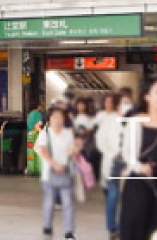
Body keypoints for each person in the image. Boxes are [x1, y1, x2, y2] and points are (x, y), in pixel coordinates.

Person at [119, 76, 157, 240]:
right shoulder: (135, 121)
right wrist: (139, 167)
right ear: (146, 96)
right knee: (137, 227)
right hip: (140, 183)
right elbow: (128, 153)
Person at [37, 107, 82, 240]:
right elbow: (43, 151)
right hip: (49, 174)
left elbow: (73, 150)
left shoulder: (68, 133)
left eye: (60, 117)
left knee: (68, 203)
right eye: (54, 117)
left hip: (65, 172)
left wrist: (75, 150)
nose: (57, 120)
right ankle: (47, 225)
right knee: (49, 202)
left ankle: (69, 231)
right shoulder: (44, 134)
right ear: (49, 119)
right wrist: (54, 164)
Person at [93, 93, 125, 238]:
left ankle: (119, 226)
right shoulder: (107, 121)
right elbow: (100, 141)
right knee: (111, 195)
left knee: (122, 196)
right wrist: (113, 154)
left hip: (128, 164)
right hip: (112, 163)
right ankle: (112, 227)